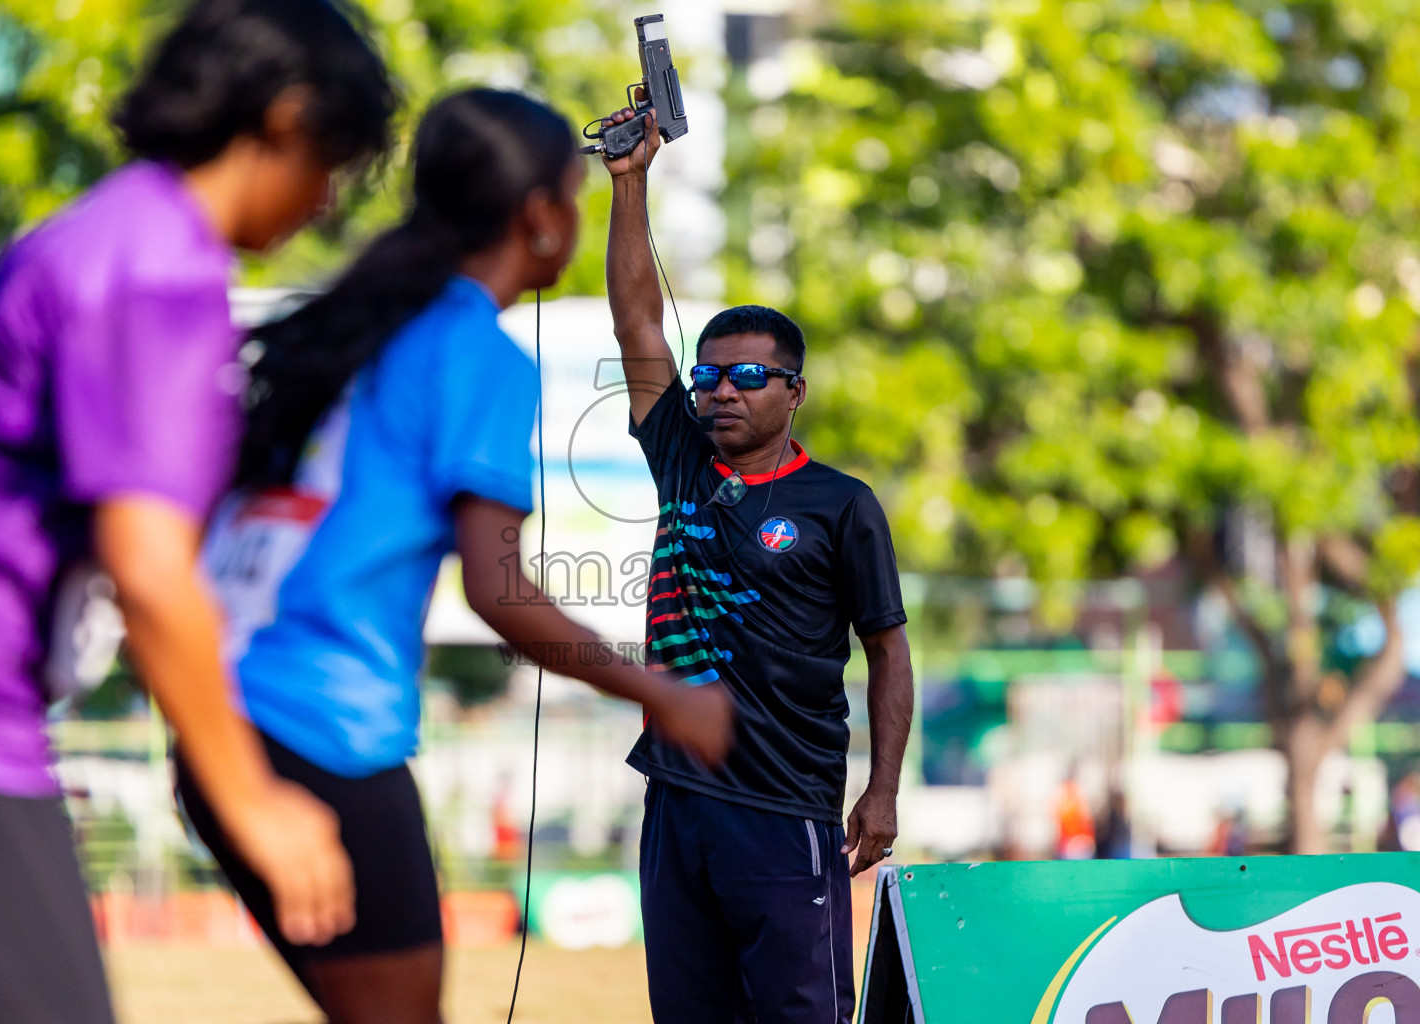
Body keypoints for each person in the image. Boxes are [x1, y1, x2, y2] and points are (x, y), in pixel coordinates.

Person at [0, 3, 395, 1021]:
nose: (325, 203)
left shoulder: (102, 228)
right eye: (333, 167)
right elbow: (150, 566)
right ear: (286, 121)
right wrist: (253, 800)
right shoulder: (162, 271)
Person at [178, 88, 732, 1024]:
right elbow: (499, 591)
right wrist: (664, 695)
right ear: (540, 218)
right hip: (323, 734)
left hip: (216, 727)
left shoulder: (349, 324)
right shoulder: (477, 350)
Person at [599, 105, 916, 1024]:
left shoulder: (842, 504)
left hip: (786, 810)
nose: (719, 391)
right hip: (678, 804)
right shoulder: (683, 459)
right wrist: (630, 183)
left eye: (745, 377)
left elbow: (888, 653)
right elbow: (636, 323)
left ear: (794, 393)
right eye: (709, 376)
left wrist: (883, 791)